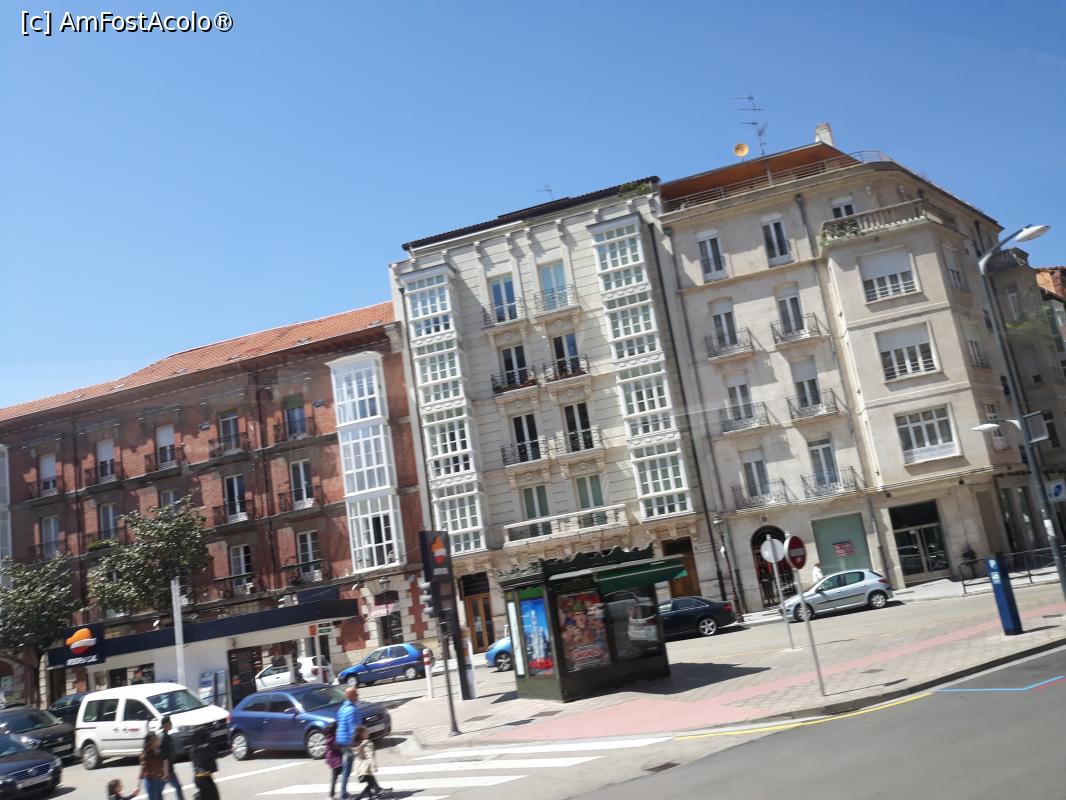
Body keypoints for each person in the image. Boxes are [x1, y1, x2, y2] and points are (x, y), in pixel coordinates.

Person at [335, 684, 363, 800]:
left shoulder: (342, 708)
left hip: (341, 741)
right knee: (349, 767)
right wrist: (359, 741)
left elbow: (339, 723)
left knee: (347, 767)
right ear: (350, 696)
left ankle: (343, 792)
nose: (358, 695)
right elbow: (353, 728)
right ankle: (343, 794)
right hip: (348, 742)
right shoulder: (352, 710)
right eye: (356, 694)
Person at [353, 725, 387, 799]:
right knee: (371, 784)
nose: (368, 733)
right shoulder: (366, 743)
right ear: (362, 734)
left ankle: (373, 795)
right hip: (366, 767)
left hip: (360, 768)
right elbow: (370, 756)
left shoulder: (356, 744)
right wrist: (373, 766)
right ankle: (358, 798)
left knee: (370, 784)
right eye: (366, 732)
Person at [159, 716, 185, 800]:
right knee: (178, 787)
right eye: (169, 723)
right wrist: (166, 771)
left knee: (159, 790)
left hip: (167, 769)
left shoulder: (166, 736)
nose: (171, 724)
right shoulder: (163, 738)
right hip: (167, 770)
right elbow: (163, 756)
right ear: (165, 725)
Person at [189, 727, 220, 800]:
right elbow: (215, 754)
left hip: (203, 778)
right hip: (203, 779)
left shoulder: (194, 749)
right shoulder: (202, 748)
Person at [139, 732, 167, 800]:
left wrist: (164, 775)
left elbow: (163, 764)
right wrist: (138, 785)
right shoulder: (146, 754)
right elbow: (143, 769)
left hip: (158, 780)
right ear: (152, 741)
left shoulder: (158, 751)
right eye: (156, 738)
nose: (158, 739)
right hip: (152, 781)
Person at [324, 721, 343, 799]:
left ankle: (332, 794)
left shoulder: (329, 737)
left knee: (335, 777)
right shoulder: (333, 739)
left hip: (333, 761)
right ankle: (333, 794)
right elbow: (336, 747)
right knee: (340, 776)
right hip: (336, 761)